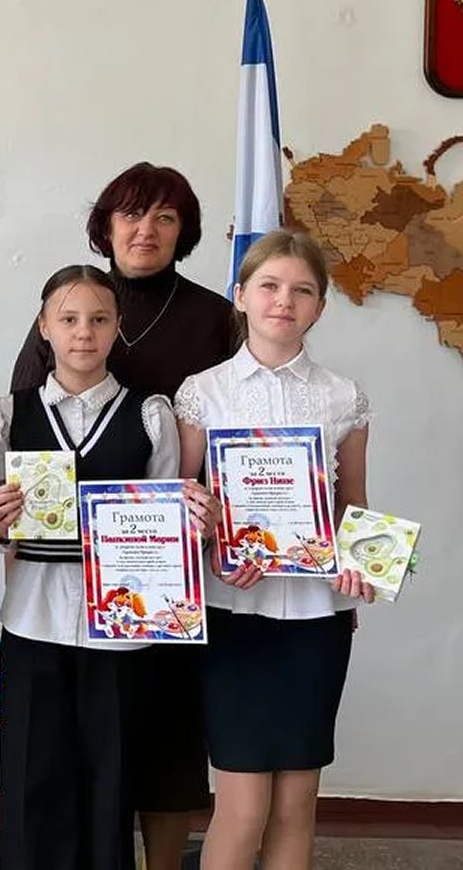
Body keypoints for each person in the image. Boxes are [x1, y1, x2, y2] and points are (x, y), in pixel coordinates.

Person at [10, 163, 237, 868]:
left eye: (165, 217)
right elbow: (26, 441)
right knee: (53, 764)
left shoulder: (213, 317)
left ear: (183, 231)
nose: (146, 229)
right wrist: (6, 522)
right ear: (106, 226)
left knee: (160, 748)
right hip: (54, 591)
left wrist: (204, 518)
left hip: (165, 572)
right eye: (132, 214)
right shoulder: (63, 311)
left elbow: (231, 430)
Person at [175, 230, 373, 870]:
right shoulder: (202, 392)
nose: (284, 301)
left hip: (317, 619)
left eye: (301, 290)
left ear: (320, 306)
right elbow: (181, 505)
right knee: (242, 805)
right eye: (269, 285)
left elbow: (353, 504)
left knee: (296, 802)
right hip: (233, 613)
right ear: (240, 295)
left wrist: (363, 561)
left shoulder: (343, 396)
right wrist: (214, 544)